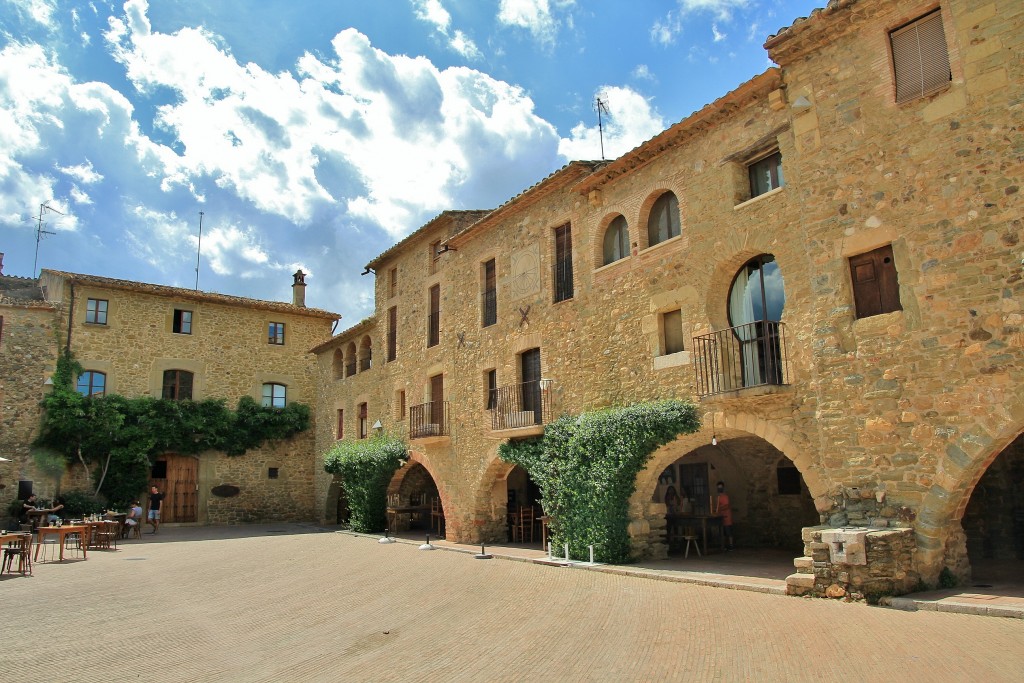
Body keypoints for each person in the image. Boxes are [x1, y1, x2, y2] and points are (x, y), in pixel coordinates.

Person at [713, 481, 734, 551]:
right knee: (723, 533)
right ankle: (724, 546)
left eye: (720, 488)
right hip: (721, 517)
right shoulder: (718, 497)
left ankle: (731, 545)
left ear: (723, 488)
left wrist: (718, 509)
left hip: (727, 517)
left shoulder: (725, 497)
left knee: (728, 532)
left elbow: (727, 506)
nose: (719, 489)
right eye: (718, 488)